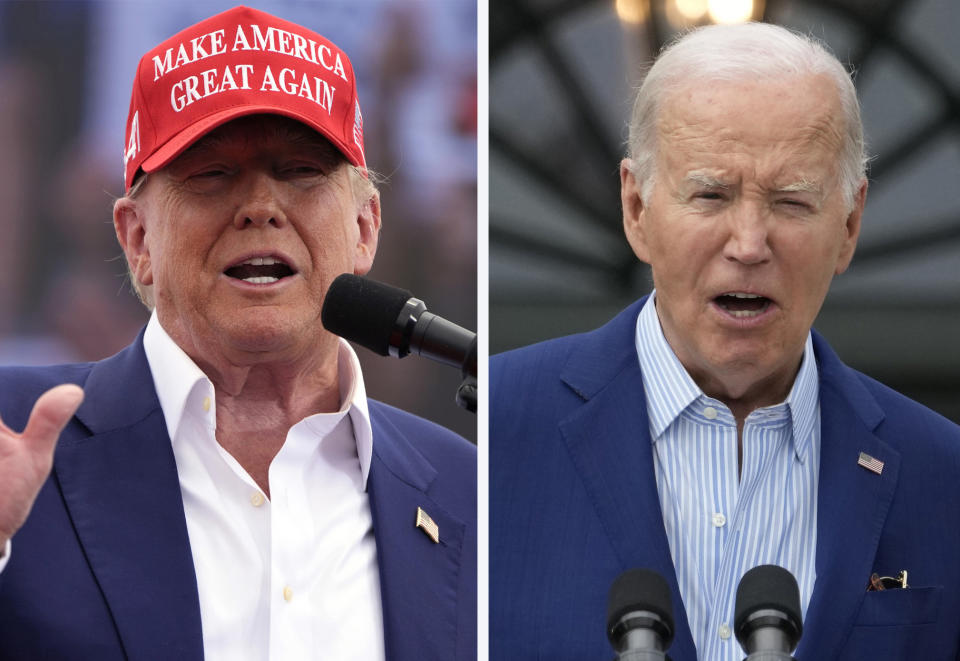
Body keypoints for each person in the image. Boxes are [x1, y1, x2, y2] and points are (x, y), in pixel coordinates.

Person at [0, 7, 476, 661]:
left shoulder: (467, 494)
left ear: (366, 227)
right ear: (137, 238)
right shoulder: (14, 436)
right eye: (212, 174)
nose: (259, 206)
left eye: (301, 171)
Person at [490, 21, 960, 661]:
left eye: (792, 202)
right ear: (636, 210)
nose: (748, 244)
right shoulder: (494, 431)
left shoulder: (942, 475)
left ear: (849, 225)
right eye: (710, 195)